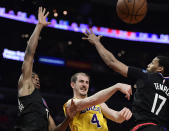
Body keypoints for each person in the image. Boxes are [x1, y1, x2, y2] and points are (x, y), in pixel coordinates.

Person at [82, 29, 169, 131]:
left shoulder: (145, 75)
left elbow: (112, 62)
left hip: (143, 127)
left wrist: (96, 42)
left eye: (153, 63)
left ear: (160, 69)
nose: (148, 65)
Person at [15, 7, 74, 131]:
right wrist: (39, 26)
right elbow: (29, 54)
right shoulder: (26, 87)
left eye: (38, 78)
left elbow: (54, 130)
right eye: (33, 77)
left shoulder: (43, 104)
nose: (37, 79)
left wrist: (68, 119)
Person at [64, 72, 133, 131]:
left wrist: (123, 114)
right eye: (81, 81)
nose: (84, 85)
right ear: (73, 85)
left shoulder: (99, 103)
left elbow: (117, 118)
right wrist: (117, 86)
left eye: (87, 82)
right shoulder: (70, 103)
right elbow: (92, 100)